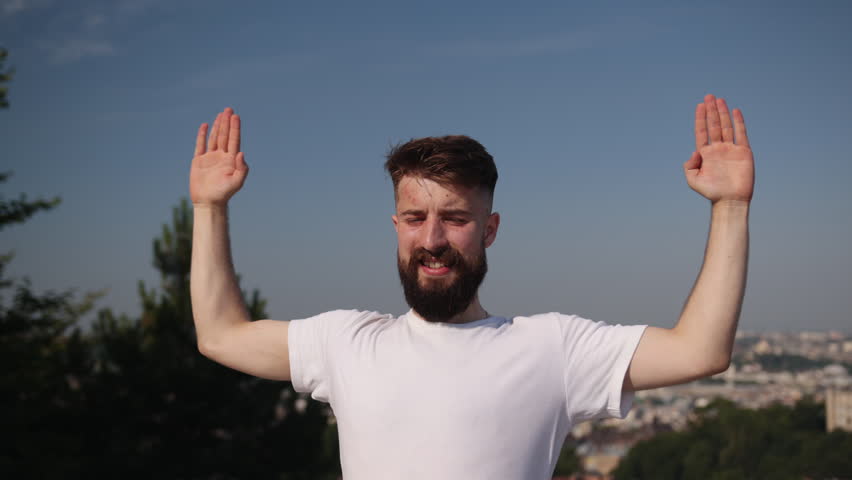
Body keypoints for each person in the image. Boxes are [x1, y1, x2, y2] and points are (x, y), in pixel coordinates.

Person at [188, 94, 754, 479]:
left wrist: (730, 207)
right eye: (414, 218)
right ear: (396, 229)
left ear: (489, 229)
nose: (432, 237)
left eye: (454, 218)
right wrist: (208, 208)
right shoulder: (346, 342)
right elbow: (220, 336)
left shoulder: (550, 349)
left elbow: (701, 351)